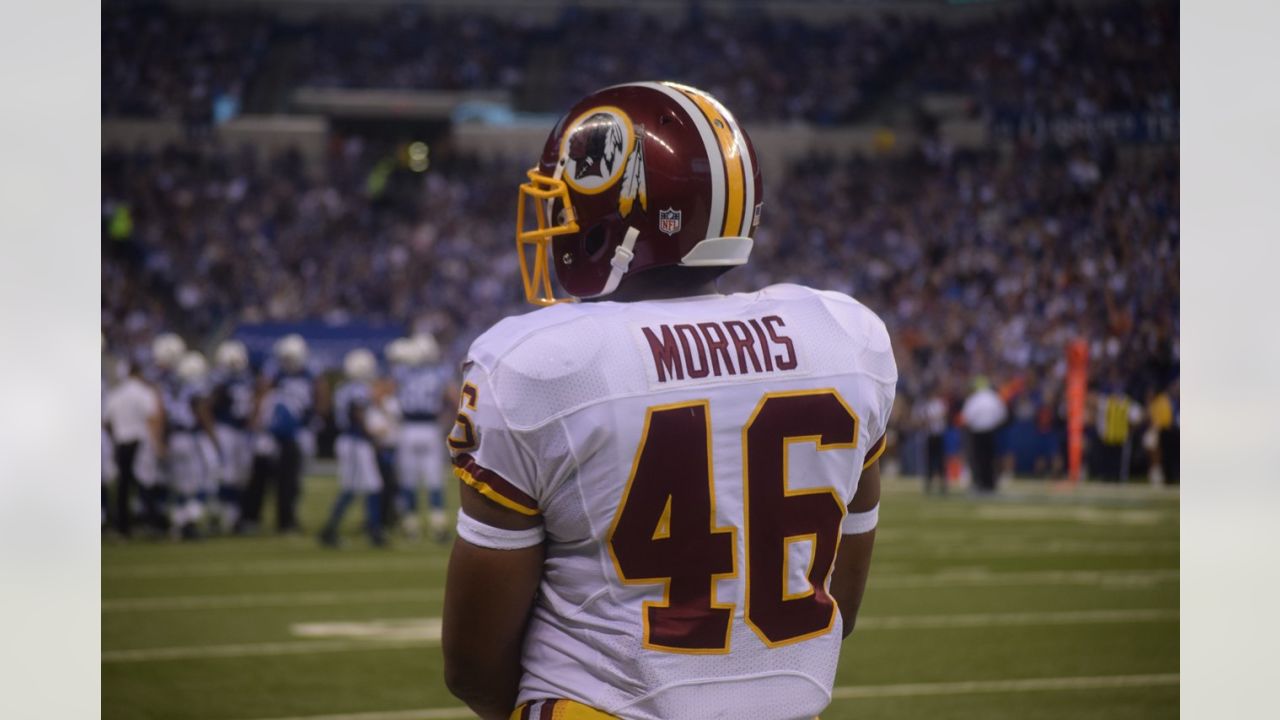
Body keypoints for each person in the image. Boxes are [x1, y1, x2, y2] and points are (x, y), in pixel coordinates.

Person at [441, 82, 897, 720]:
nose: (558, 218)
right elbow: (839, 604)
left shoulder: (542, 364)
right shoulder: (845, 338)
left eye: (570, 200)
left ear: (620, 215)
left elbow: (473, 665)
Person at [320, 348, 387, 547]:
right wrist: (371, 435)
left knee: (372, 485)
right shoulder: (358, 389)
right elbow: (357, 413)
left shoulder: (342, 388)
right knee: (354, 488)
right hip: (355, 441)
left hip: (350, 441)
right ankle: (330, 530)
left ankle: (374, 530)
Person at [393, 333, 453, 541]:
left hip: (408, 428)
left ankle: (411, 527)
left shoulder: (401, 372)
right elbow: (452, 397)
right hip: (429, 428)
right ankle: (438, 526)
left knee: (409, 479)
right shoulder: (439, 373)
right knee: (434, 479)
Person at [103, 361, 165, 536]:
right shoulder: (144, 393)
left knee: (123, 486)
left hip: (121, 442)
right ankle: (151, 523)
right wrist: (158, 444)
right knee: (145, 483)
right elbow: (153, 418)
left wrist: (116, 434)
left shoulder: (115, 393)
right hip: (140, 441)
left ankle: (123, 527)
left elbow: (106, 421)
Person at [210, 339, 255, 530]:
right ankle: (219, 515)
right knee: (225, 473)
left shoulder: (247, 378)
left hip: (242, 431)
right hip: (226, 428)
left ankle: (233, 516)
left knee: (240, 475)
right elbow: (211, 404)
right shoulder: (218, 380)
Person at [960, 376, 1006, 494]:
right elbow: (1002, 415)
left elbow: (967, 417)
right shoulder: (994, 397)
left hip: (977, 433)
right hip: (991, 432)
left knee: (978, 459)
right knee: (990, 459)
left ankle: (979, 483)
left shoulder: (973, 399)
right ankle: (990, 483)